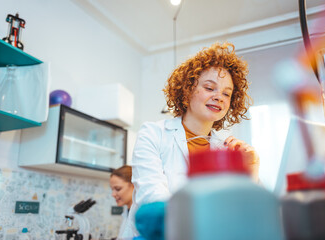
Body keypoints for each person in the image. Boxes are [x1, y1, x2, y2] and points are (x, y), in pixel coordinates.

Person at [122, 42, 260, 238]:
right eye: (210, 88)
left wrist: (251, 170)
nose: (219, 97)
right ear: (187, 91)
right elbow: (152, 198)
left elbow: (243, 214)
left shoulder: (225, 149)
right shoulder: (153, 134)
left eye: (226, 93)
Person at [109, 165, 134, 238]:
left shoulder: (141, 215)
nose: (113, 194)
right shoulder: (126, 213)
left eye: (118, 189)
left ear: (134, 186)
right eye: (112, 189)